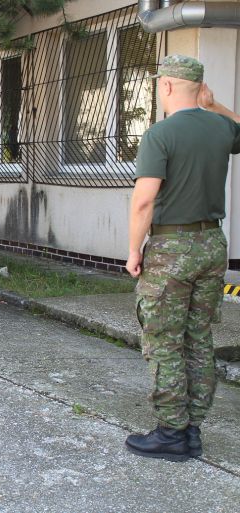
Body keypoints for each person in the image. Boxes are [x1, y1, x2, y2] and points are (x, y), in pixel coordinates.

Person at [124, 55, 240, 462]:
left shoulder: (161, 134)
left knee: (164, 340)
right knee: (198, 337)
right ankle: (192, 431)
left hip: (172, 249)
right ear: (200, 88)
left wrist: (134, 249)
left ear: (168, 85)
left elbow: (144, 201)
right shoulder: (221, 127)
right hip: (212, 244)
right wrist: (215, 104)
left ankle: (171, 432)